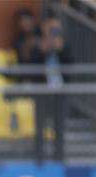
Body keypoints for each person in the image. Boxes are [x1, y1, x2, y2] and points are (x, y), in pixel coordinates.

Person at [30, 15, 72, 162]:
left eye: (56, 29)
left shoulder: (64, 46)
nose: (53, 33)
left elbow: (71, 66)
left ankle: (58, 158)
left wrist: (60, 50)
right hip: (42, 92)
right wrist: (43, 51)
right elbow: (31, 66)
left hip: (60, 92)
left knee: (59, 127)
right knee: (40, 127)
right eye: (51, 29)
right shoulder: (38, 45)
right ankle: (39, 159)